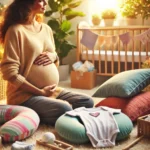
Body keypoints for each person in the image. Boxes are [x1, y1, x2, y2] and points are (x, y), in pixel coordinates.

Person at [0, 0, 94, 125]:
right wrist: (40, 92)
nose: (45, 3)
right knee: (64, 108)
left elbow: (54, 59)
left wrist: (53, 56)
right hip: (25, 95)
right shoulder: (15, 30)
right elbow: (9, 73)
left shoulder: (46, 29)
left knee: (87, 102)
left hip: (51, 92)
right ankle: (36, 115)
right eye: (41, 0)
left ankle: (48, 114)